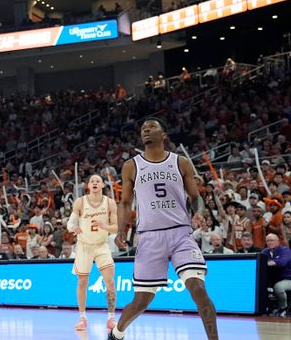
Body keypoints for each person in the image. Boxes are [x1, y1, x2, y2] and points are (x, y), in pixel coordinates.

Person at [109, 118, 218, 340]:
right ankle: (117, 333)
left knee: (198, 290)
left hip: (181, 233)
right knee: (142, 301)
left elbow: (196, 198)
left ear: (164, 134)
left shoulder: (181, 163)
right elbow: (125, 203)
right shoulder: (131, 165)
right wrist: (121, 230)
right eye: (143, 128)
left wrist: (199, 211)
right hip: (150, 237)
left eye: (152, 127)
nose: (146, 130)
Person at [68, 175, 118, 331]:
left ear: (102, 185)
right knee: (82, 283)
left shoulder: (110, 203)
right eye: (92, 181)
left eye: (98, 181)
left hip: (101, 246)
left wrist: (105, 226)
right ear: (88, 185)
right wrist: (73, 228)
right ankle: (82, 317)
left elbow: (116, 228)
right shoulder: (80, 202)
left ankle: (111, 317)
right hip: (84, 246)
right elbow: (70, 222)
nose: (95, 183)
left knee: (110, 281)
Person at [263, 233, 291, 316]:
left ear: (278, 242)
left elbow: (282, 262)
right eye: (268, 241)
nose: (269, 242)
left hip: (288, 279)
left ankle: (283, 308)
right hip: (272, 279)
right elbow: (259, 261)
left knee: (279, 287)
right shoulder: (264, 251)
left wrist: (268, 263)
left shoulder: (285, 250)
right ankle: (265, 307)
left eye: (272, 240)